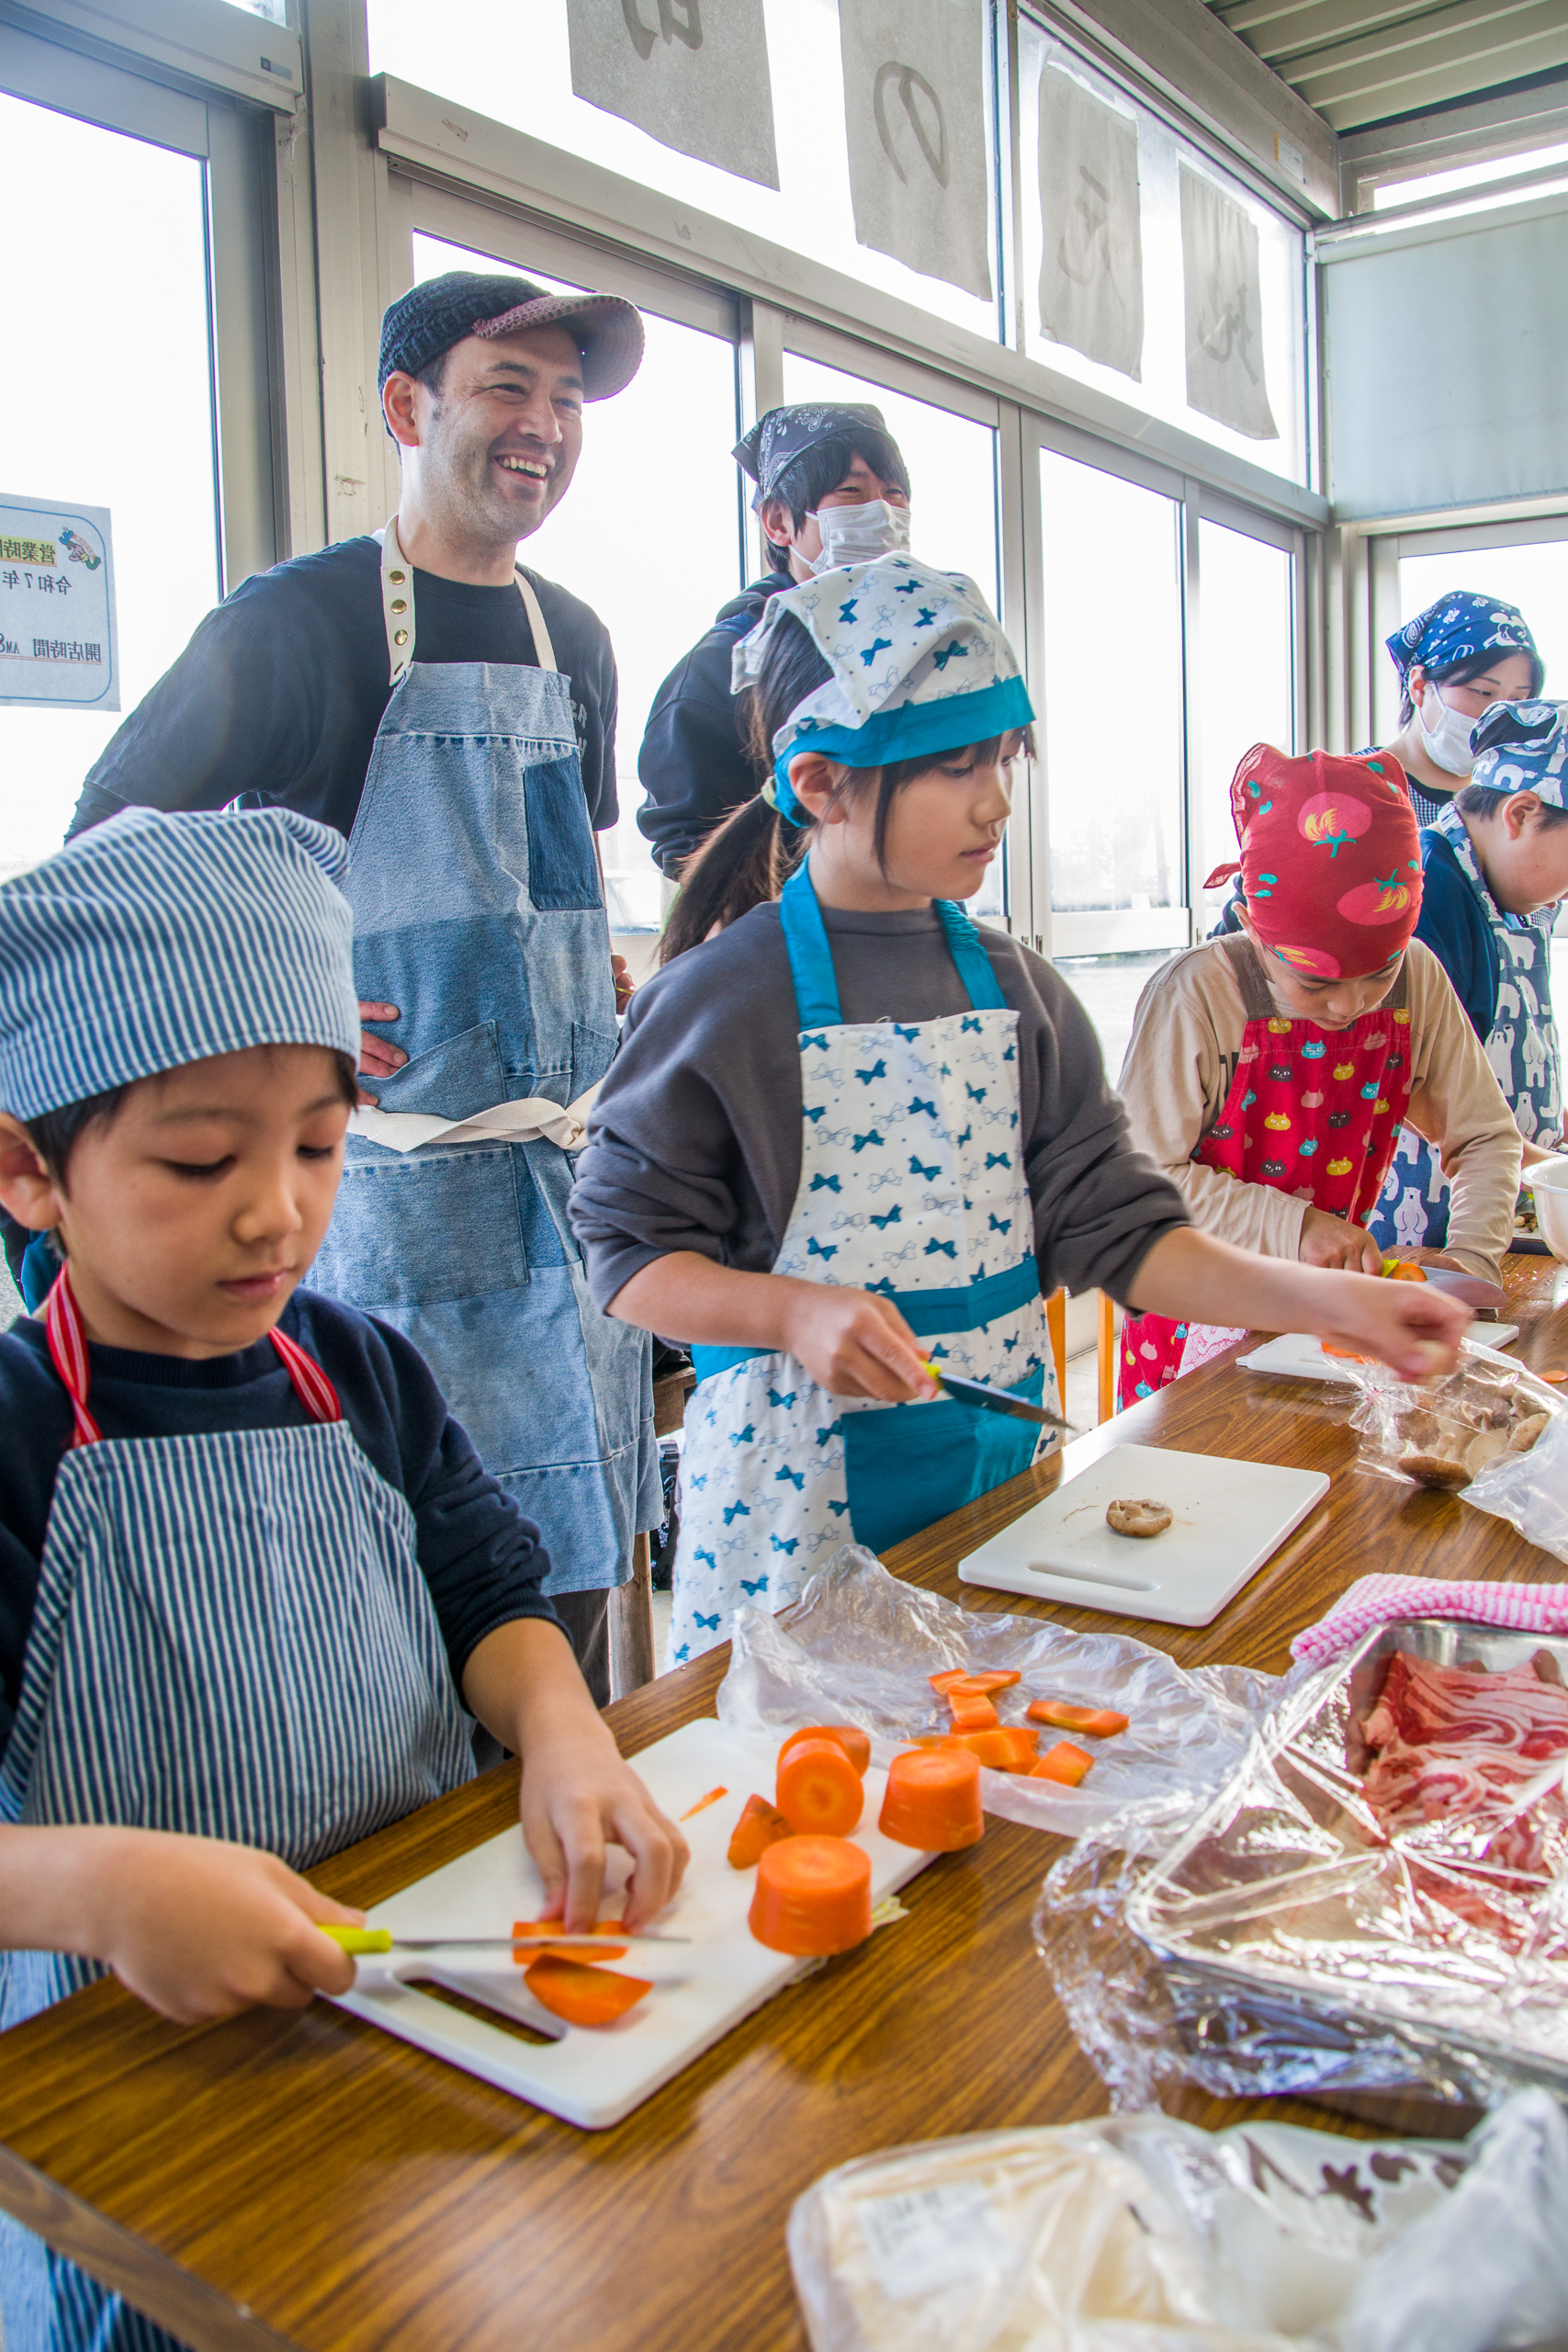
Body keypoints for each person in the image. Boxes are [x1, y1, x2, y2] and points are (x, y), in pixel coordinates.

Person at [0, 805, 685, 2352]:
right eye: (199, 1159)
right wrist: (103, 1890)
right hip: (149, 2086)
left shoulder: (359, 1368)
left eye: (317, 1145)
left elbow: (490, 1592)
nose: (278, 1210)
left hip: (424, 2009)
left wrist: (567, 1736)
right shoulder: (17, 1436)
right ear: (28, 1171)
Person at [568, 562, 1468, 1663]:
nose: (996, 801)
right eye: (957, 767)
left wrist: (1330, 1302)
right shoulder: (722, 999)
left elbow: (1126, 1236)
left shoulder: (1020, 990)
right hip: (787, 1519)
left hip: (1000, 1497)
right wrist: (791, 1312)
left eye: (1003, 759)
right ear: (821, 783)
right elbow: (624, 1254)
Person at [64, 271, 662, 1702]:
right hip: (390, 1201)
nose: (544, 426)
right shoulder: (293, 625)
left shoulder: (575, 639)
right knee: (400, 1584)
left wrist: (587, 972)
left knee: (569, 1583)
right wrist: (285, 995)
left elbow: (559, 875)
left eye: (566, 401)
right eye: (506, 388)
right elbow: (105, 851)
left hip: (563, 1191)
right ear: (406, 407)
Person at [1116, 745, 1522, 1406]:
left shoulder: (1418, 978)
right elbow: (1139, 1182)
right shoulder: (1197, 996)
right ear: (1251, 927)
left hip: (1331, 1317)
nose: (1349, 1006)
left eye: (1378, 974)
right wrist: (1297, 1228)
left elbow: (1483, 1137)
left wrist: (1471, 1258)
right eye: (1314, 984)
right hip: (1198, 1312)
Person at [636, 401, 911, 879]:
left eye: (894, 494)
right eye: (852, 492)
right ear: (779, 521)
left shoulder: (911, 652)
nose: (882, 513)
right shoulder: (726, 666)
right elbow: (689, 845)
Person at [1371, 699, 1568, 1256]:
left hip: (1505, 1197)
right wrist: (1546, 1168)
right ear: (1521, 814)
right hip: (1429, 1227)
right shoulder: (1430, 892)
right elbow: (1422, 1094)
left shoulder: (1508, 889)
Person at [1382, 590, 1543, 826]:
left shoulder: (1520, 804)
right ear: (1419, 686)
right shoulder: (1352, 785)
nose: (1498, 715)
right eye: (1483, 692)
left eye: (1517, 699)